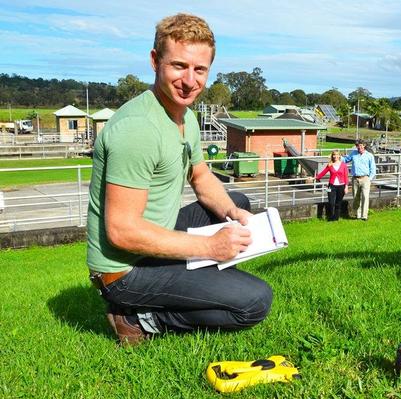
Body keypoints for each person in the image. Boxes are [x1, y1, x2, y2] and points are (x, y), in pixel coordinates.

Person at [86, 13, 272, 345]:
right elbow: (122, 231)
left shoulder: (184, 114)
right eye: (178, 66)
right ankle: (139, 319)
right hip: (125, 270)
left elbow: (200, 176)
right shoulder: (139, 129)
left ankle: (198, 281)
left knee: (237, 203)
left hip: (155, 238)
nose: (189, 80)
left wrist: (233, 213)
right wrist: (209, 247)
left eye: (199, 70)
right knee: (255, 302)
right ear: (155, 61)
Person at [342, 139, 376, 221]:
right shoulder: (353, 154)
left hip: (365, 178)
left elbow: (373, 169)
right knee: (356, 197)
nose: (359, 147)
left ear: (364, 145)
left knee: (365, 196)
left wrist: (369, 179)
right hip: (355, 179)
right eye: (357, 145)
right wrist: (337, 157)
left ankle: (364, 216)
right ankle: (358, 215)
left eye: (361, 145)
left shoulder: (369, 155)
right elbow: (345, 160)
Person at [315, 150, 349, 221]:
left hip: (341, 186)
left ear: (339, 156)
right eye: (334, 155)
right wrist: (315, 177)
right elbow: (323, 172)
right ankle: (331, 216)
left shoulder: (343, 165)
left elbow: (346, 176)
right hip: (331, 186)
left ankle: (335, 217)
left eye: (337, 155)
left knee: (338, 203)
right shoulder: (330, 165)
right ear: (332, 156)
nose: (335, 156)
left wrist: (346, 187)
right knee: (331, 202)